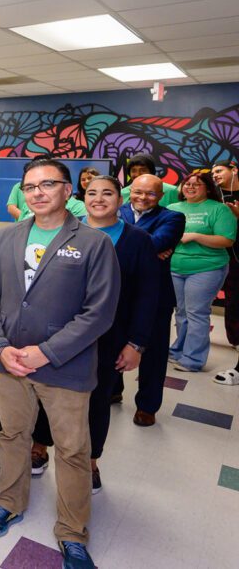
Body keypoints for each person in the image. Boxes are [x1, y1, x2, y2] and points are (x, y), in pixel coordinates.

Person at [0, 158, 120, 569]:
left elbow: (99, 312)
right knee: (13, 435)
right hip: (10, 363)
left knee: (73, 451)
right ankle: (9, 501)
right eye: (29, 186)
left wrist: (47, 351)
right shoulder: (7, 237)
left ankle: (72, 532)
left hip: (65, 366)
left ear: (67, 189)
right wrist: (2, 346)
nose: (37, 192)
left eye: (47, 184)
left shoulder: (94, 243)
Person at [31, 175, 157, 494]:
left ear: (120, 198)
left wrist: (136, 343)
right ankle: (40, 445)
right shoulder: (63, 231)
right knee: (49, 391)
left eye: (107, 193)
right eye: (92, 193)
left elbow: (147, 295)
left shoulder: (137, 240)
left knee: (97, 399)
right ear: (81, 197)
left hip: (109, 335)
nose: (99, 199)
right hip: (59, 332)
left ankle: (91, 461)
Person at [119, 174, 185, 424]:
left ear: (160, 195)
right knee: (111, 343)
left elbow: (160, 242)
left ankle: (147, 406)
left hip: (155, 296)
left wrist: (121, 242)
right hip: (118, 293)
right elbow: (99, 240)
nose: (143, 198)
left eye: (150, 193)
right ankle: (113, 391)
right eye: (138, 192)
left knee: (153, 353)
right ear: (130, 191)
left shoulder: (172, 217)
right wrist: (148, 249)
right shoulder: (117, 209)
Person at [167, 171, 237, 372]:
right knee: (181, 312)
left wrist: (195, 236)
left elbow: (227, 240)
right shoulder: (172, 208)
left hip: (207, 268)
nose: (190, 187)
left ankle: (193, 360)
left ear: (207, 188)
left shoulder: (219, 210)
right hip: (175, 268)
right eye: (187, 184)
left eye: (196, 184)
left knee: (196, 313)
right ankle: (178, 351)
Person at [210, 160, 239, 384]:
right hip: (224, 257)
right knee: (232, 300)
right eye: (213, 172)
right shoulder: (215, 197)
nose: (215, 175)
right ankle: (235, 340)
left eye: (219, 170)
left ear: (234, 170)